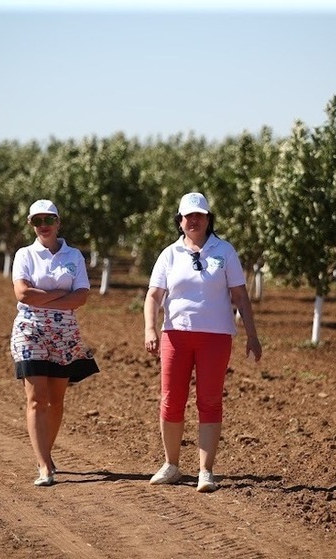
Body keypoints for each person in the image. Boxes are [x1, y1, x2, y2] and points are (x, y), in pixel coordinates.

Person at [143, 192, 262, 493]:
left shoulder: (225, 252)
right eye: (188, 216)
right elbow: (154, 296)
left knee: (209, 401)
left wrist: (252, 335)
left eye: (200, 215)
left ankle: (205, 471)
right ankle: (171, 465)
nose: (194, 220)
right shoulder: (169, 254)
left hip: (216, 337)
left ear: (209, 219)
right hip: (176, 335)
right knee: (171, 400)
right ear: (180, 221)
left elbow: (240, 297)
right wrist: (150, 329)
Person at [10, 199, 99, 487]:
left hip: (64, 334)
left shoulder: (74, 256)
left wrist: (44, 297)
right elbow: (22, 294)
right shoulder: (24, 255)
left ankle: (44, 454)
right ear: (31, 225)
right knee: (36, 399)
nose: (43, 225)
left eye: (48, 219)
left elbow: (82, 297)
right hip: (30, 330)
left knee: (56, 400)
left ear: (58, 222)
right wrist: (62, 298)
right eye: (37, 221)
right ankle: (45, 465)